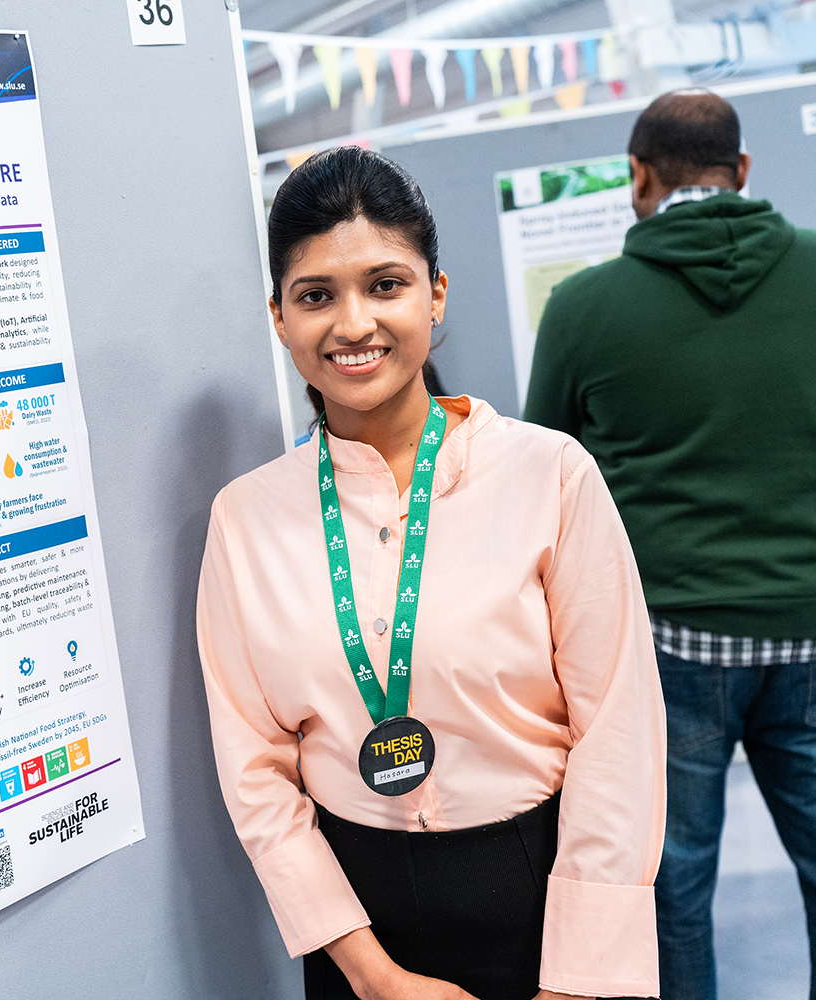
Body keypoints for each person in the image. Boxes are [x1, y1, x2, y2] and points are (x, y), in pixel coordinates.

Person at [197, 146, 666, 1000]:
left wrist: (574, 981)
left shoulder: (550, 475)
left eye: (385, 284)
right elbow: (255, 767)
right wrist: (370, 975)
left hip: (543, 896)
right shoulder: (245, 519)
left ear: (434, 293)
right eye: (316, 296)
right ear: (278, 316)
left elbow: (620, 732)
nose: (352, 324)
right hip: (356, 927)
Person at [525, 90, 816, 1000]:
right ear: (741, 172)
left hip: (670, 645)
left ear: (637, 180)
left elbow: (546, 481)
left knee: (675, 885)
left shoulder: (582, 308)